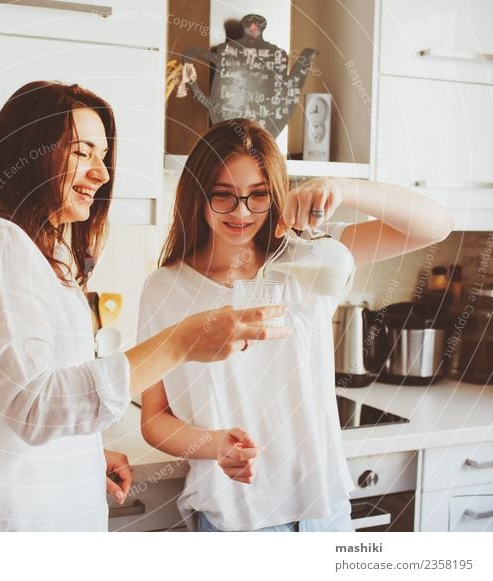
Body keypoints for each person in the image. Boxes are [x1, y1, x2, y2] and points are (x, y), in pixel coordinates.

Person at [0, 83, 289, 532]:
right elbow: (32, 404)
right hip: (7, 523)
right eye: (82, 152)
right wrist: (181, 342)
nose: (102, 173)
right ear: (30, 152)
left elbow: (44, 388)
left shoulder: (43, 251)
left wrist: (84, 454)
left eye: (103, 156)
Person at [138, 118, 452, 532]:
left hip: (325, 514)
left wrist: (343, 189)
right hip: (238, 522)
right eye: (224, 196)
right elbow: (153, 418)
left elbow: (435, 225)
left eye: (257, 196)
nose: (242, 212)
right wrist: (215, 446)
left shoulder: (308, 256)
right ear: (198, 196)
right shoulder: (165, 289)